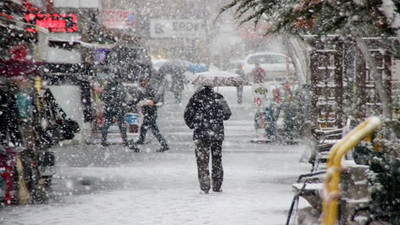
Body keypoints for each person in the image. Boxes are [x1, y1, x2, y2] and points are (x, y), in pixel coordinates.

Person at [184, 86, 232, 194]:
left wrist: (193, 125)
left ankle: (205, 187)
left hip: (201, 134)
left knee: (202, 161)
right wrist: (217, 114)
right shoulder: (218, 97)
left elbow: (187, 115)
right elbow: (227, 114)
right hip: (217, 134)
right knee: (217, 160)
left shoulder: (196, 98)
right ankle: (217, 185)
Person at [131, 76, 169, 152]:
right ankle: (164, 144)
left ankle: (138, 144)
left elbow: (157, 97)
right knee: (153, 130)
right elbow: (137, 99)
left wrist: (151, 102)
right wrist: (129, 103)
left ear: (147, 81)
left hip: (151, 113)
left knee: (146, 129)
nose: (142, 82)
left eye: (144, 81)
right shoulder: (142, 90)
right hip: (147, 113)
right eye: (141, 81)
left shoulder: (149, 88)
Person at [100, 73, 128, 147]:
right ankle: (125, 140)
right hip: (116, 107)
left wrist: (109, 100)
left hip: (112, 107)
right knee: (121, 124)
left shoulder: (109, 87)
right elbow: (123, 97)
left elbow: (102, 96)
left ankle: (104, 140)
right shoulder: (119, 87)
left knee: (108, 124)